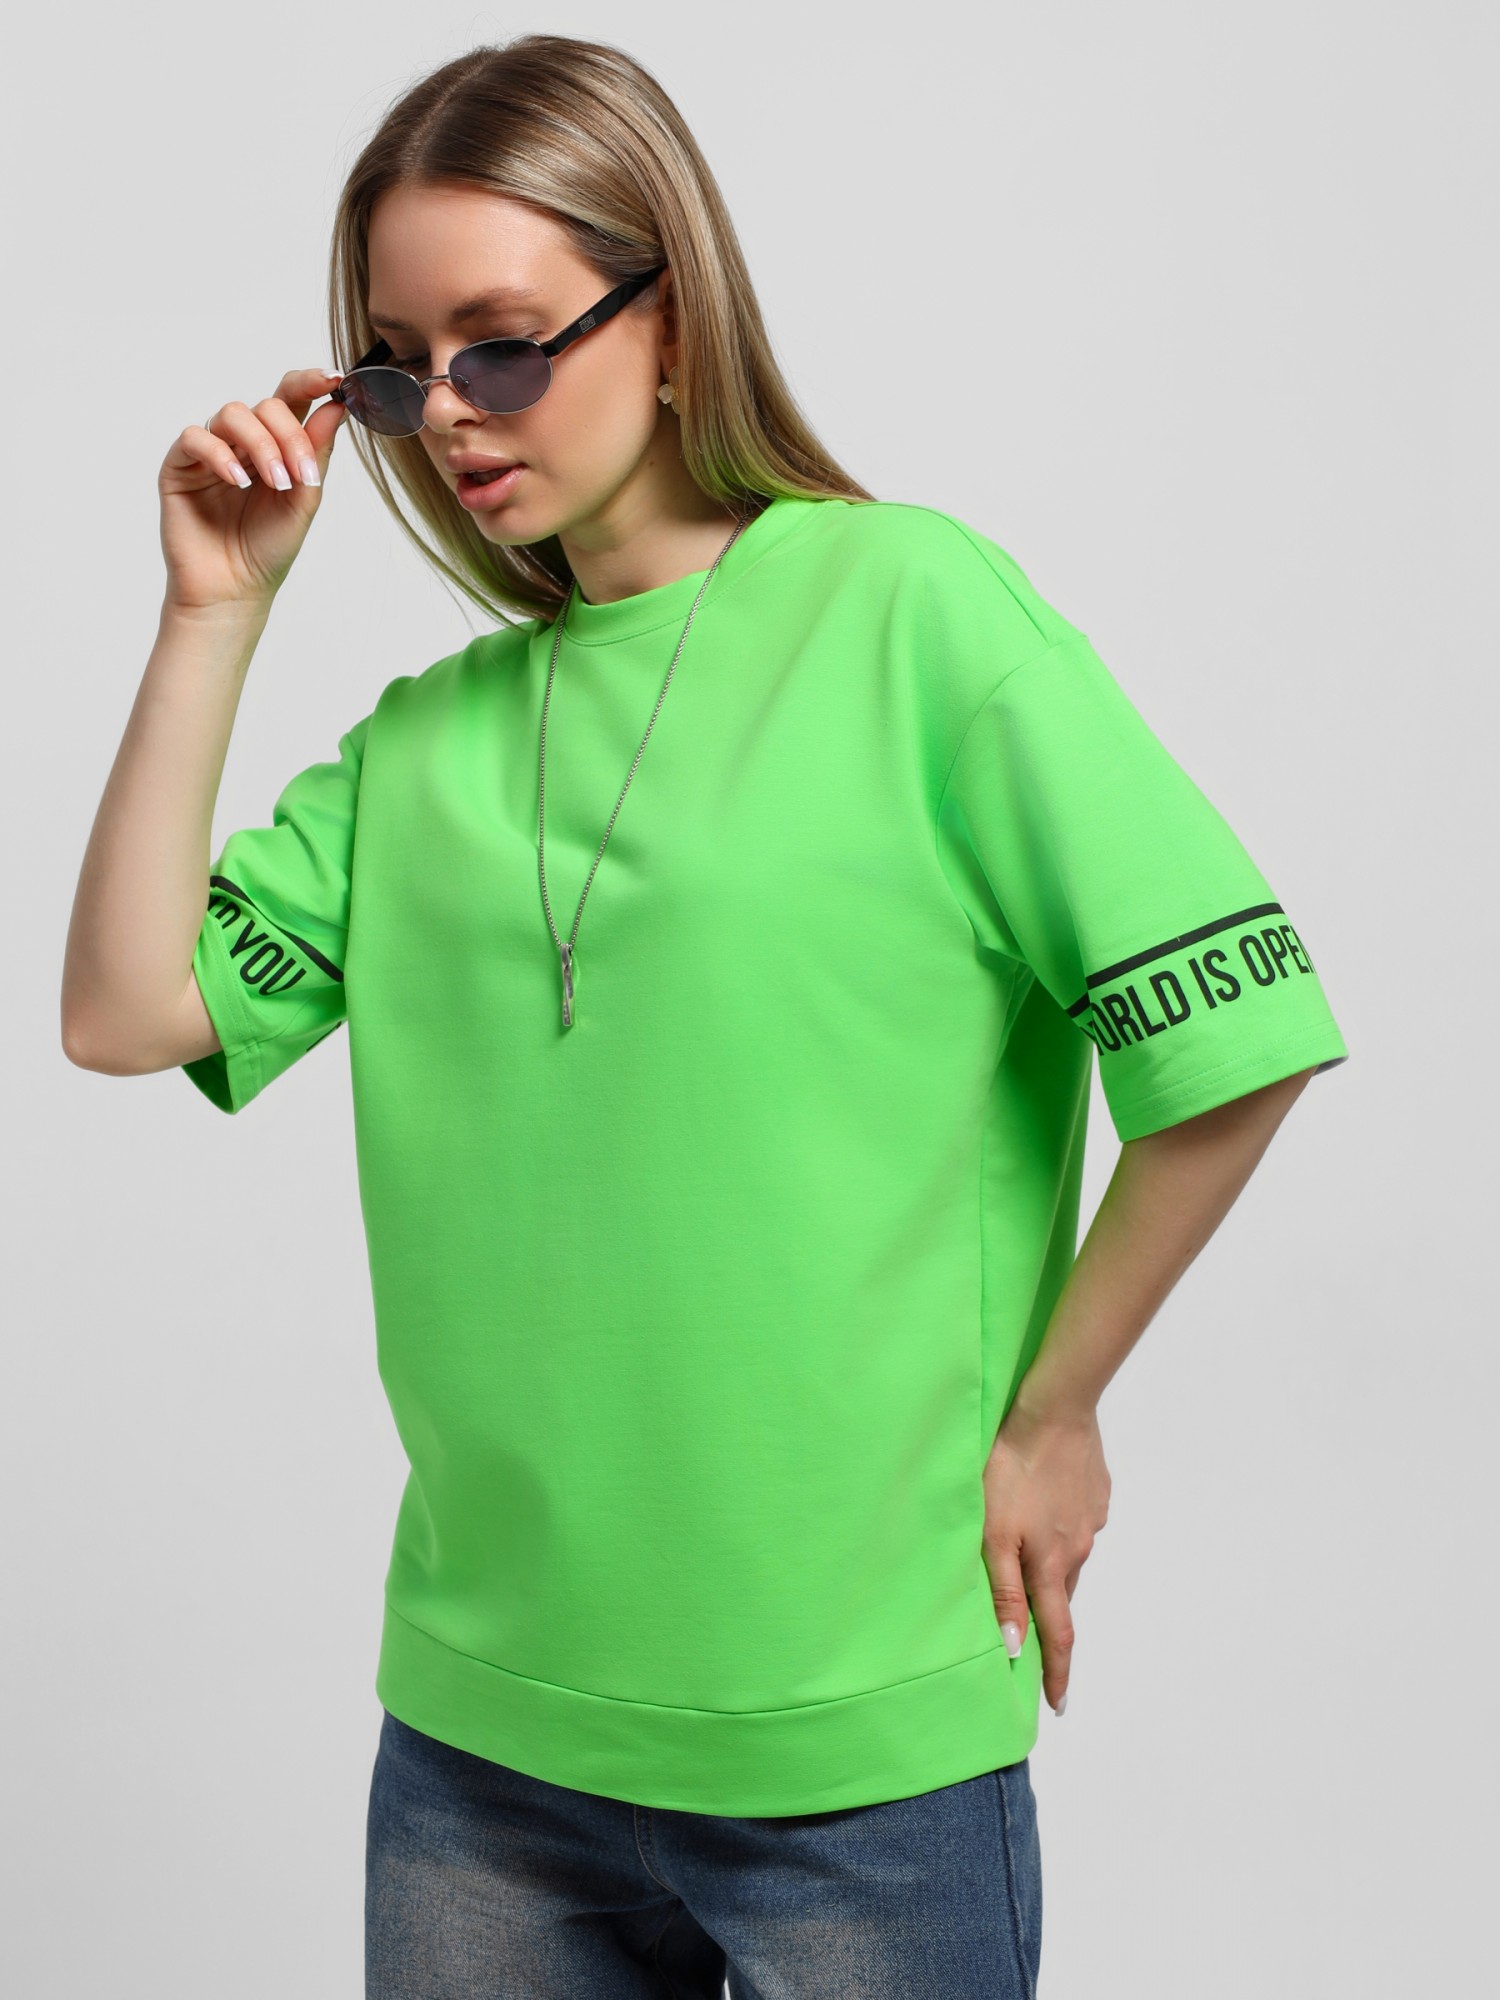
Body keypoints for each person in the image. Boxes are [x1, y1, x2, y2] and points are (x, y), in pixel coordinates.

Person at [60, 33, 1349, 2000]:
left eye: (505, 345)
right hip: (481, 1749)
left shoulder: (912, 611)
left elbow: (1233, 1040)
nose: (448, 416)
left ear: (669, 318)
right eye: (398, 367)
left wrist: (1060, 1410)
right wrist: (211, 612)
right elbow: (124, 1010)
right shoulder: (426, 746)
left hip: (862, 1744)